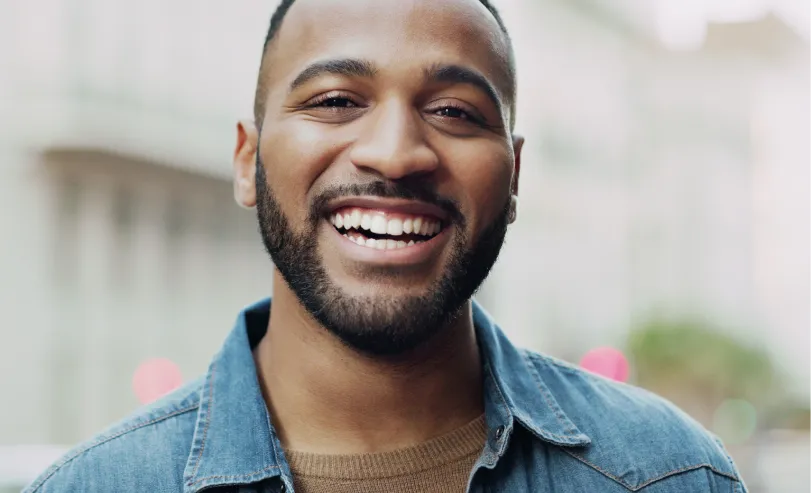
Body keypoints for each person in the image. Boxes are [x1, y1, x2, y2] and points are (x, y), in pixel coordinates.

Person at [27, 0, 748, 492]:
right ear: (248, 161)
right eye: (336, 100)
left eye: (453, 112)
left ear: (515, 173)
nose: (396, 152)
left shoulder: (671, 475)